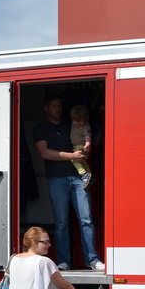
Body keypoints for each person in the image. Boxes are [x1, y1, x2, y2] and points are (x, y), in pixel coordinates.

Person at [33, 94, 104, 272]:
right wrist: (72, 156)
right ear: (46, 108)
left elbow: (82, 137)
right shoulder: (40, 127)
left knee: (86, 219)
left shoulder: (69, 123)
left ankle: (92, 259)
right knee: (62, 222)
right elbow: (45, 153)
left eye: (59, 106)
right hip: (57, 179)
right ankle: (64, 261)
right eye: (55, 106)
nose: (58, 109)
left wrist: (86, 148)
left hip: (79, 178)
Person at [69, 104, 93, 189]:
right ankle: (89, 176)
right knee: (83, 162)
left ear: (85, 119)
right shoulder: (74, 122)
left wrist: (87, 144)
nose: (77, 123)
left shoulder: (86, 126)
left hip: (81, 147)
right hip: (76, 146)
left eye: (80, 121)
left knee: (74, 159)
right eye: (75, 120)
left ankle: (84, 174)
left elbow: (88, 137)